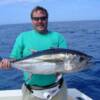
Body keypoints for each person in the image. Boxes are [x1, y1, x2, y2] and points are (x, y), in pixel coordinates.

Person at [0, 6, 68, 100]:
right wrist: (6, 63)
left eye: (43, 18)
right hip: (32, 93)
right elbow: (13, 59)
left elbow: (64, 63)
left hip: (58, 90)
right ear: (32, 20)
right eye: (36, 19)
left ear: (47, 19)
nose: (40, 21)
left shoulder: (58, 37)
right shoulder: (23, 37)